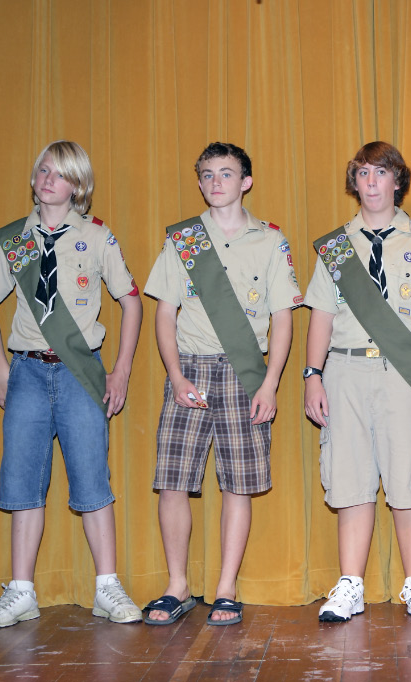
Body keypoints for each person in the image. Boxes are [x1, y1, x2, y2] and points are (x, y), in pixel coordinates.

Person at [0, 140, 144, 627]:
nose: (49, 180)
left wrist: (121, 369)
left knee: (92, 479)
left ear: (79, 186)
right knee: (23, 479)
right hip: (27, 370)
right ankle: (21, 591)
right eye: (44, 170)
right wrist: (2, 370)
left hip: (81, 371)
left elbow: (131, 301)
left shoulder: (97, 237)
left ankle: (107, 586)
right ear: (34, 178)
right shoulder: (15, 239)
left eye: (61, 174)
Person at [143, 142, 300, 626]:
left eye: (226, 173)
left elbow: (283, 317)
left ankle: (226, 589)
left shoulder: (270, 241)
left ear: (246, 181)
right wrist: (175, 375)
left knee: (238, 484)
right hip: (189, 369)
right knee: (173, 481)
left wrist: (270, 383)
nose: (216, 182)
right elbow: (164, 312)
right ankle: (177, 586)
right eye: (207, 174)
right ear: (199, 181)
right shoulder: (183, 240)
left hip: (245, 372)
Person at [304, 141, 411, 624]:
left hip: (404, 374)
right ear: (354, 181)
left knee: (409, 480)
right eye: (363, 173)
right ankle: (351, 585)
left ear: (397, 180)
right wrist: (312, 375)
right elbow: (321, 316)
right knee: (350, 481)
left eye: (381, 172)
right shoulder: (336, 247)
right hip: (345, 370)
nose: (371, 182)